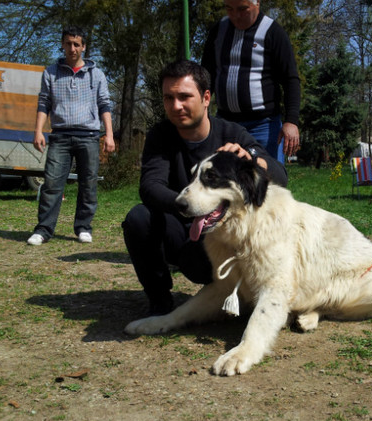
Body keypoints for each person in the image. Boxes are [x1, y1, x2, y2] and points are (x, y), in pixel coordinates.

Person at [122, 60, 287, 316]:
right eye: (169, 97)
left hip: (223, 239)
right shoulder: (160, 135)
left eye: (184, 96)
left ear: (206, 97)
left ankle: (233, 291)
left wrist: (252, 161)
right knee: (138, 218)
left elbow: (280, 175)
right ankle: (159, 298)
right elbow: (150, 186)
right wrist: (191, 207)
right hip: (184, 229)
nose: (176, 106)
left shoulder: (233, 133)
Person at [27, 26, 115, 246]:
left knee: (88, 184)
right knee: (52, 184)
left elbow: (105, 104)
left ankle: (83, 227)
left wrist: (110, 135)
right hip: (60, 136)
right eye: (68, 43)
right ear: (62, 45)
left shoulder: (97, 74)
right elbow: (44, 103)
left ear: (83, 47)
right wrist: (38, 131)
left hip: (89, 136)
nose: (72, 48)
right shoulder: (51, 72)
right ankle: (44, 229)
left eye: (77, 44)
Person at [201, 0, 300, 163]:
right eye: (229, 9)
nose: (236, 16)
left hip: (263, 126)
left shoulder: (272, 31)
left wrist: (291, 121)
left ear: (257, 3)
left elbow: (291, 79)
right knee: (224, 181)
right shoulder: (218, 30)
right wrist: (201, 111)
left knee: (268, 181)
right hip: (225, 124)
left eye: (242, 9)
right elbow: (205, 75)